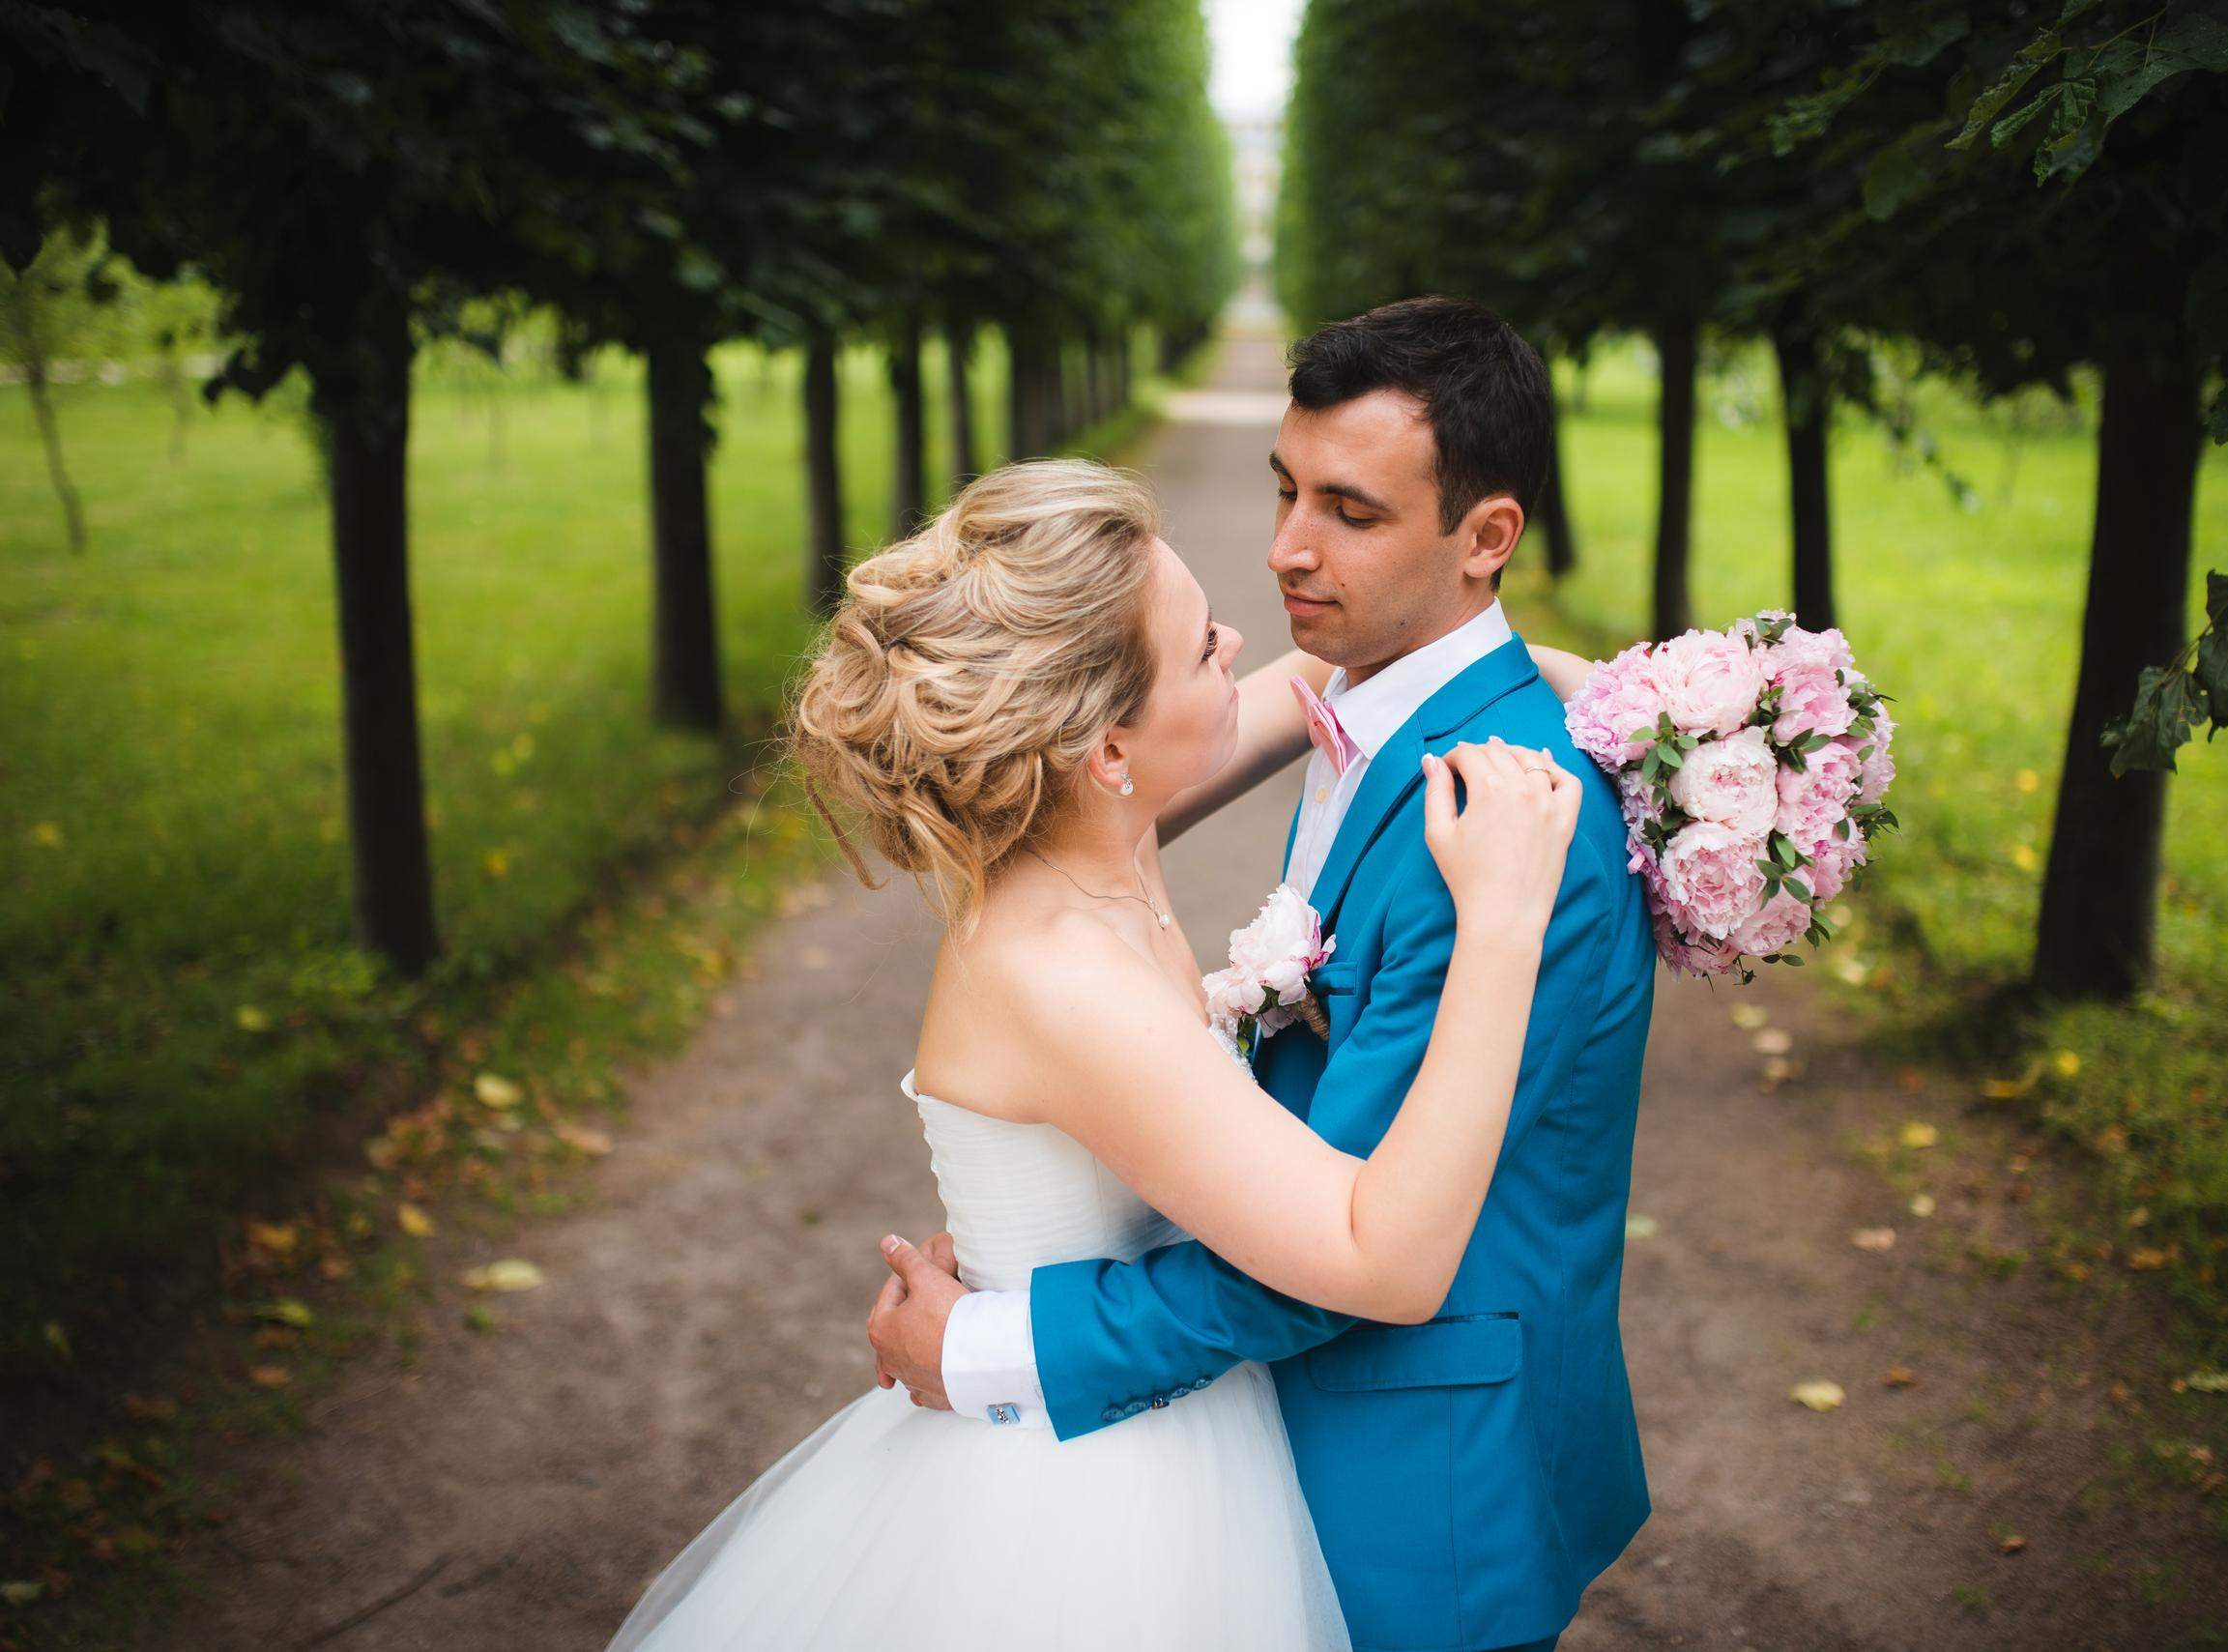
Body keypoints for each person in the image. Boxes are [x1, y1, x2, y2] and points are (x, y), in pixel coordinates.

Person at [604, 445, 1589, 1650]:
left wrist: (1523, 672)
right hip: (1096, 1500)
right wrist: (1500, 920)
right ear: (1109, 748)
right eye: (1198, 645)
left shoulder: (1081, 826)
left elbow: (1310, 684)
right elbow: (1373, 1257)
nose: (1237, 640)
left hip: (1143, 1410)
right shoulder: (1058, 972)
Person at [868, 297, 1660, 1652]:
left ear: (1489, 539)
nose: (1285, 554)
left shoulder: (1506, 826)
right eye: (1285, 491)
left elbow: (1352, 1254)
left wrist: (996, 1353)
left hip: (1421, 1486)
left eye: (1350, 510)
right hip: (1260, 1459)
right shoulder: (1366, 703)